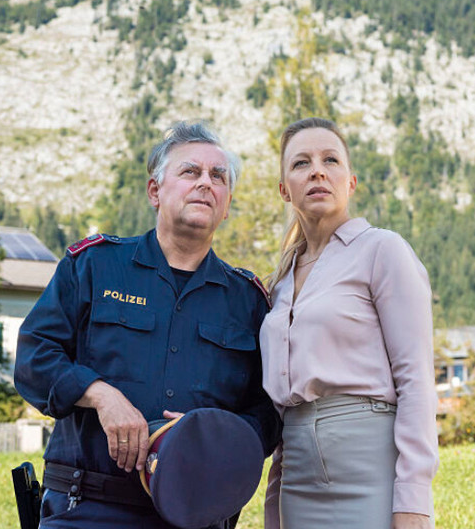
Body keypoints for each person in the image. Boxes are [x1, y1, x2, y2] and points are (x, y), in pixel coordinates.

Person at [15, 121, 281, 528]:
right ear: (155, 192)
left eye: (218, 176)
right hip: (88, 508)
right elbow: (34, 357)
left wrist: (211, 435)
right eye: (190, 172)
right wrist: (101, 394)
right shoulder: (93, 266)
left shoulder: (247, 301)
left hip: (197, 514)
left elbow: (270, 410)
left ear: (227, 205)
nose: (205, 184)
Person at [260, 117, 438, 529]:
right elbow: (282, 404)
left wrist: (413, 500)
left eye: (331, 160)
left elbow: (416, 379)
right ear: (284, 189)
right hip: (296, 475)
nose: (318, 170)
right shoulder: (280, 283)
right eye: (301, 163)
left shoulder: (383, 250)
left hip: (370, 469)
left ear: (350, 181)